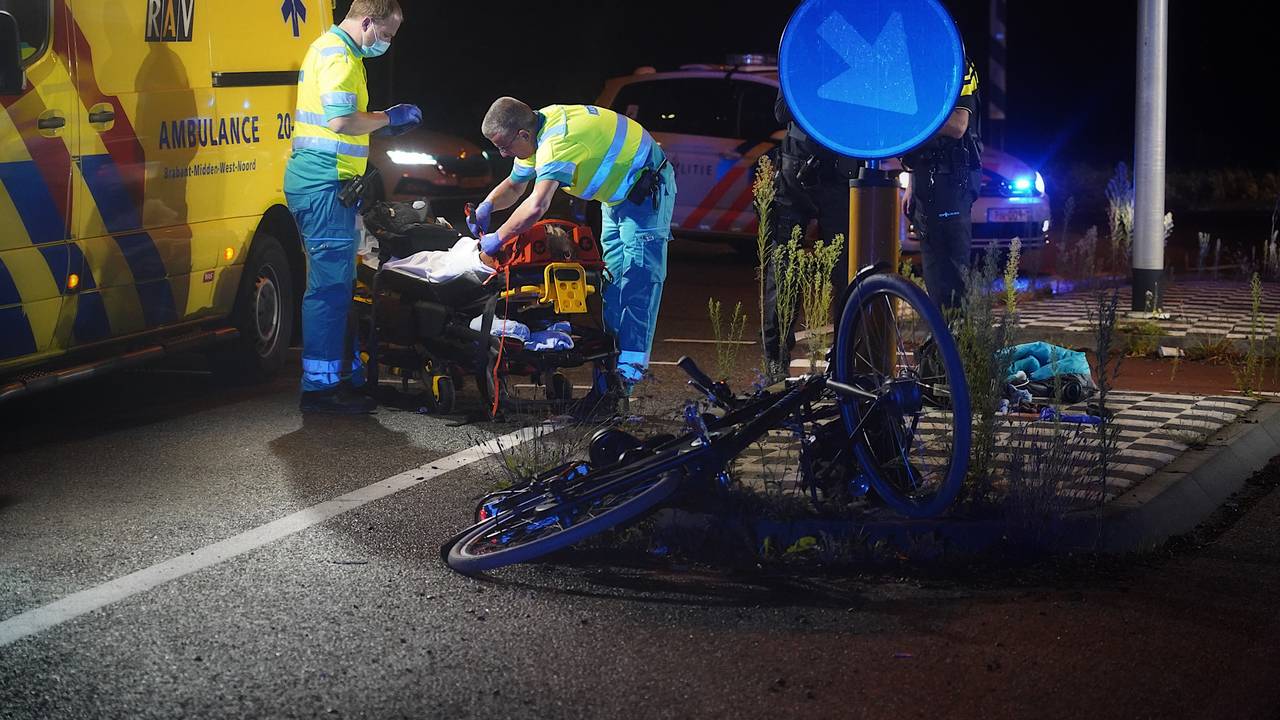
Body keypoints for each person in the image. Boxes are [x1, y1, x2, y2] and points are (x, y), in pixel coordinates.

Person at [472, 98, 676, 388]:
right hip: (618, 198)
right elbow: (516, 185)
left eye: (505, 146)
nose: (503, 154)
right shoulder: (538, 128)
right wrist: (488, 205)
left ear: (523, 135)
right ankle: (610, 385)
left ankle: (624, 384)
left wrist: (498, 237)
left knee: (637, 284)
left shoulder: (556, 142)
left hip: (646, 194)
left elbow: (536, 206)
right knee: (613, 286)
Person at [285, 0, 421, 414]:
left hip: (329, 184)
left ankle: (342, 378)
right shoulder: (341, 56)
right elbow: (342, 121)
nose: (387, 43)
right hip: (323, 185)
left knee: (338, 285)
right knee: (328, 289)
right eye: (386, 34)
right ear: (367, 21)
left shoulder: (334, 50)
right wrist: (387, 118)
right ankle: (322, 390)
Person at [763, 92, 862, 377]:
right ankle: (776, 361)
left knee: (846, 273)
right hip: (800, 169)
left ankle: (844, 361)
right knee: (784, 271)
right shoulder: (800, 52)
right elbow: (782, 111)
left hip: (838, 171)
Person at [902, 58, 983, 311]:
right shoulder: (919, 67)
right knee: (934, 271)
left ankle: (958, 344)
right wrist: (912, 184)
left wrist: (915, 120)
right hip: (926, 179)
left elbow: (958, 125)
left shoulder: (959, 66)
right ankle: (940, 342)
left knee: (953, 271)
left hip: (952, 180)